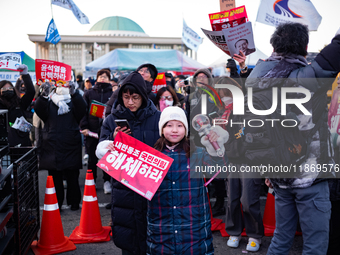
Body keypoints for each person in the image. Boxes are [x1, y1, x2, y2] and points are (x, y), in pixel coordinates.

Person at [247, 23, 340, 254]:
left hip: (278, 175)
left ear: (274, 45)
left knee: (281, 239)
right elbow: (334, 53)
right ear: (305, 47)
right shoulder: (304, 77)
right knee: (314, 245)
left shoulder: (256, 77)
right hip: (309, 177)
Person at [96, 71, 161, 255]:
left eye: (134, 97)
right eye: (126, 97)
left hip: (152, 189)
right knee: (129, 241)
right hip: (125, 190)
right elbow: (100, 153)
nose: (130, 102)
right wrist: (113, 140)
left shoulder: (158, 118)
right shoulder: (111, 119)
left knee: (155, 242)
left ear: (143, 96)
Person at [147, 106, 227, 254]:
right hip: (161, 227)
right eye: (169, 125)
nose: (175, 130)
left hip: (194, 227)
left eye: (179, 125)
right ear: (162, 128)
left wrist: (215, 149)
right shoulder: (152, 156)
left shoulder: (198, 153)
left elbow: (221, 172)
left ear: (186, 129)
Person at [214, 76, 264, 251]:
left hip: (249, 158)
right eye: (220, 94)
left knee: (249, 199)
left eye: (226, 93)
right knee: (232, 199)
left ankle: (254, 235)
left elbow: (251, 134)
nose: (224, 97)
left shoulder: (247, 107)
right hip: (231, 159)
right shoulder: (222, 112)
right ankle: (234, 231)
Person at [35, 81, 86, 211]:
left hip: (70, 143)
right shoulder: (49, 102)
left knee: (72, 176)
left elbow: (82, 109)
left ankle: (74, 202)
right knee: (55, 177)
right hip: (53, 144)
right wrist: (43, 96)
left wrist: (75, 94)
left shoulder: (73, 101)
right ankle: (56, 203)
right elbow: (39, 110)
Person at [80, 69, 113, 192]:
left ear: (109, 79)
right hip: (92, 130)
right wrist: (84, 127)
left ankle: (106, 181)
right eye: (100, 77)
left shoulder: (113, 93)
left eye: (105, 77)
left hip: (107, 131)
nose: (103, 79)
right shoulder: (89, 93)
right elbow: (83, 111)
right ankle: (91, 180)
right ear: (97, 78)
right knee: (92, 158)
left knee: (107, 157)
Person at [0, 64, 34, 147]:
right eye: (4, 89)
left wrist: (25, 75)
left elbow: (31, 92)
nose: (8, 91)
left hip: (21, 143)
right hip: (3, 145)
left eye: (10, 88)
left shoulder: (20, 103)